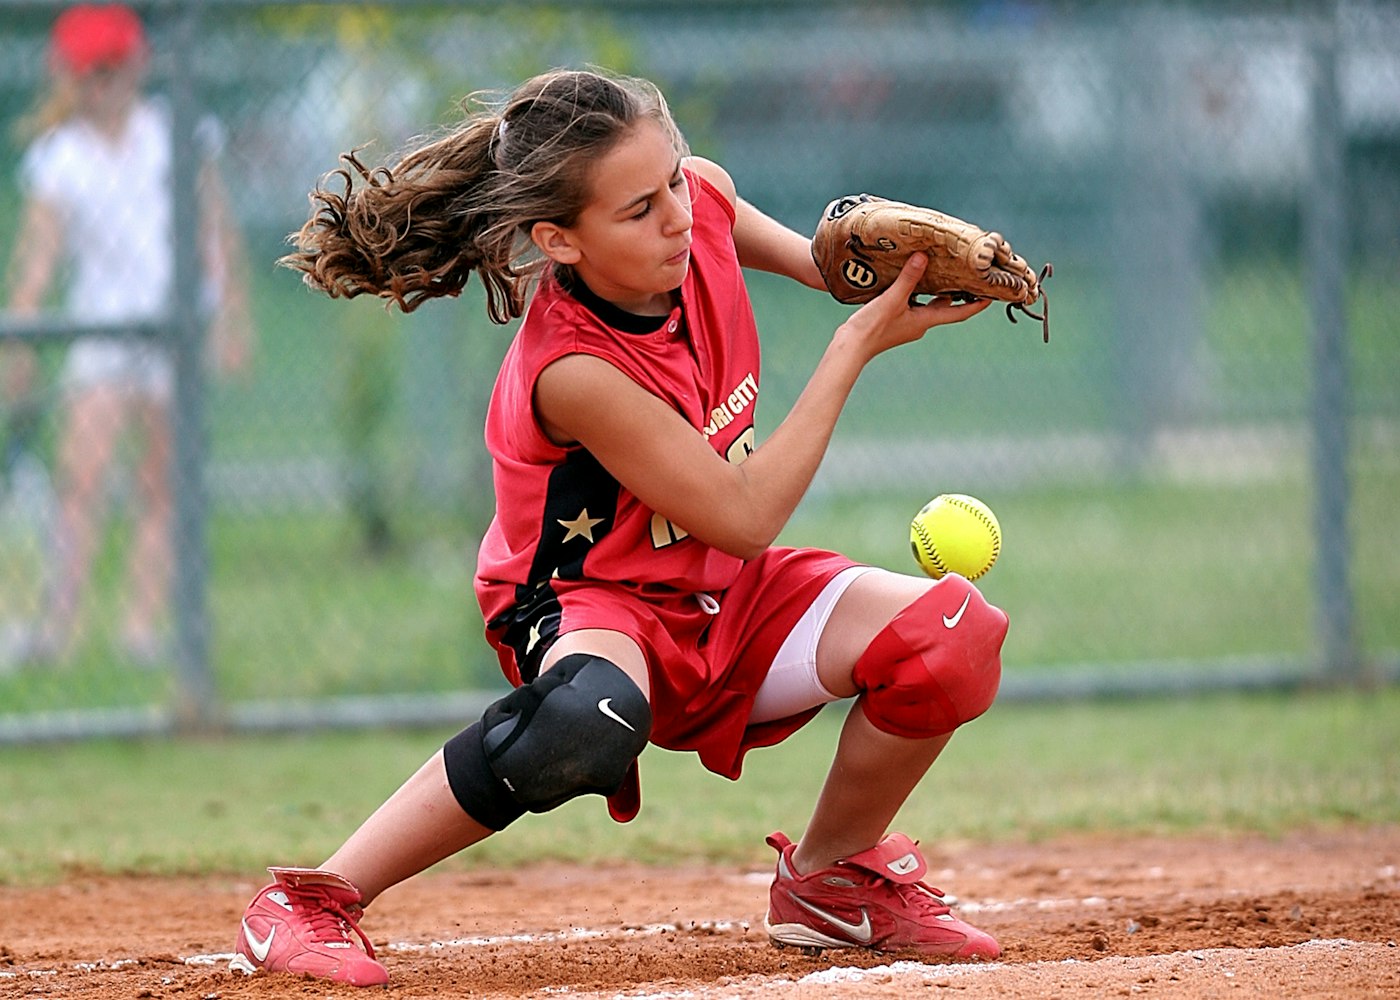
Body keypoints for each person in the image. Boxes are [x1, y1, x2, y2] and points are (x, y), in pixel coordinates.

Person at [231, 68, 1005, 987]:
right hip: (591, 603)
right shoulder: (574, 367)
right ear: (559, 239)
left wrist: (882, 267)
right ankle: (312, 900)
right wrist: (854, 350)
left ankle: (831, 880)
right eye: (638, 209)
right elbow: (748, 514)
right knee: (584, 718)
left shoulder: (700, 206)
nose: (677, 214)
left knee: (953, 637)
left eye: (673, 178)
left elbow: (823, 269)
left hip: (721, 587)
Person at [1, 3, 252, 665]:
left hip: (174, 328)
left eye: (112, 67)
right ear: (68, 76)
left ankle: (141, 627)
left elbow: (216, 232)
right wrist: (20, 340)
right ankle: (61, 625)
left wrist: (232, 317)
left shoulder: (175, 132)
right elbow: (37, 258)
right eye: (90, 71)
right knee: (79, 480)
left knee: (161, 485)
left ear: (137, 65)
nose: (103, 82)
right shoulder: (59, 157)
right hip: (104, 332)